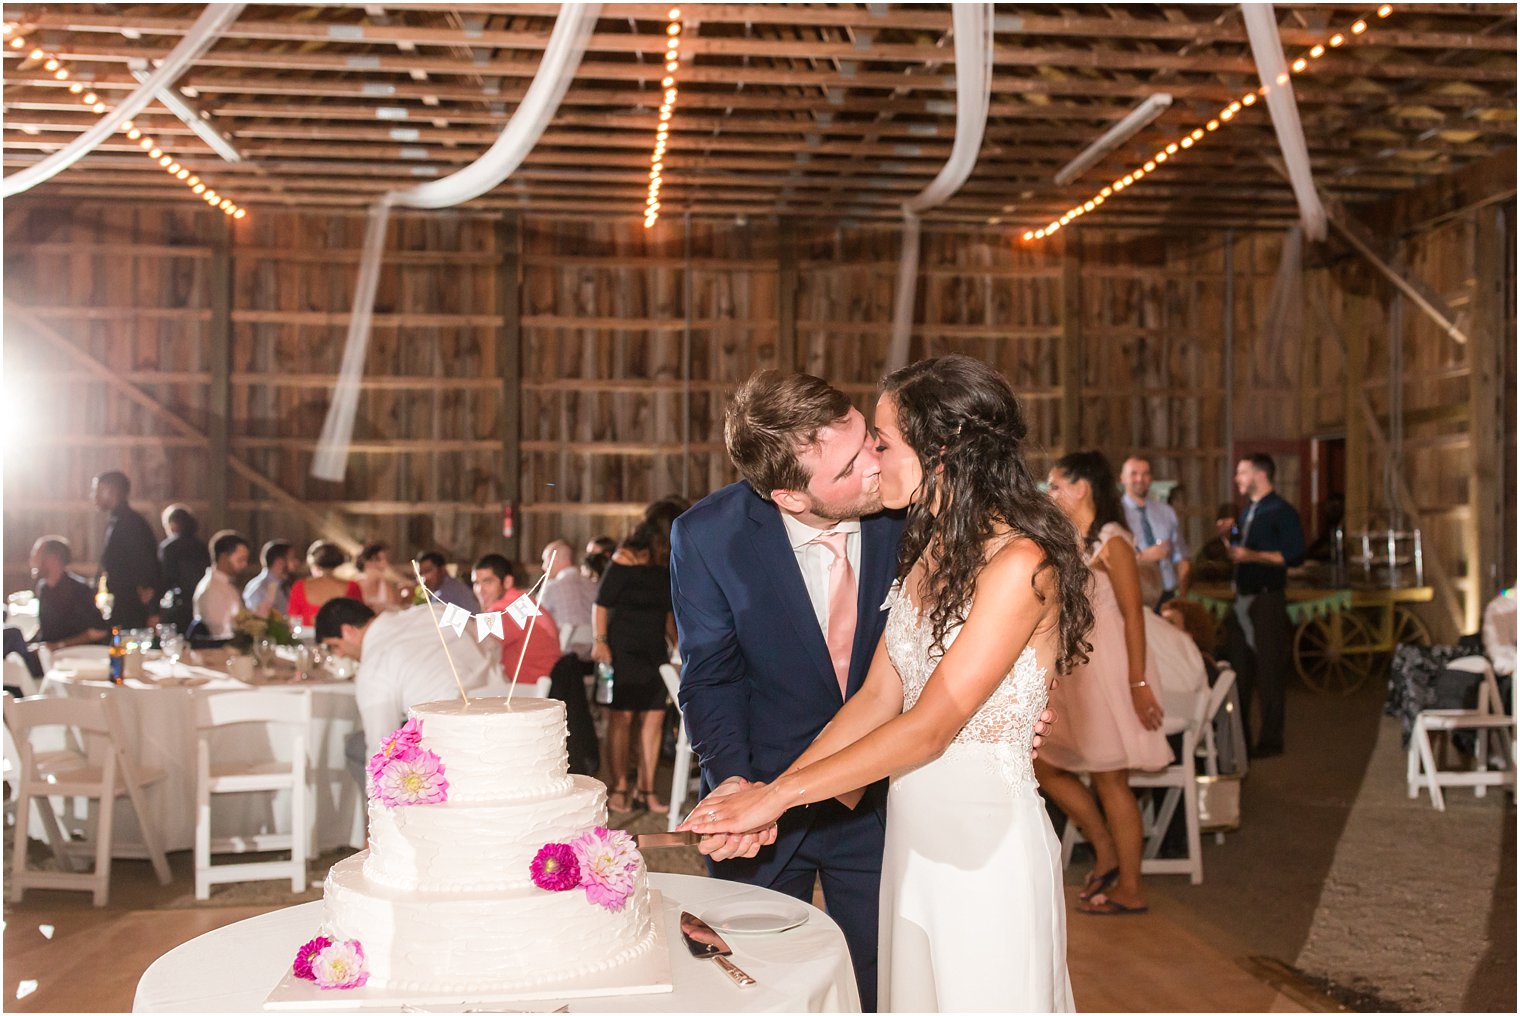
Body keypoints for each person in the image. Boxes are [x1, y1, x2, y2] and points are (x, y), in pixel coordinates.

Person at [681, 356, 1087, 1012]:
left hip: (981, 851)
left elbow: (930, 725)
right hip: (914, 839)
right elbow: (878, 697)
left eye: (880, 438)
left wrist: (779, 795)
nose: (872, 457)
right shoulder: (933, 548)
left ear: (941, 454)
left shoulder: (1018, 561)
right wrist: (765, 797)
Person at [1036, 450, 1171, 917]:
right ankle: (1105, 849)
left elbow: (1135, 614)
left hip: (1113, 668)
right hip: (1078, 669)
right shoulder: (1069, 539)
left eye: (1056, 485)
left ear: (1082, 487)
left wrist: (1138, 681)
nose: (1050, 494)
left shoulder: (1114, 541)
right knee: (1045, 764)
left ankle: (1130, 887)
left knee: (1112, 778)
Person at [315, 597, 492, 790]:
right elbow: (492, 646)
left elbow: (381, 745)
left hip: (448, 739)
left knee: (355, 747)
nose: (339, 654)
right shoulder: (435, 611)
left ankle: (387, 817)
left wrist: (377, 808)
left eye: (335, 646)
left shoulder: (374, 665)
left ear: (347, 631)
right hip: (500, 709)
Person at [1224, 453, 1306, 758]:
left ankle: (1271, 741)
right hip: (1242, 599)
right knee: (1240, 672)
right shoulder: (1249, 512)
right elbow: (1240, 549)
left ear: (1259, 475)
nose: (1237, 479)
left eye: (1241, 472)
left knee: (1269, 671)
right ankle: (1240, 741)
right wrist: (1229, 532)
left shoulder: (1281, 511)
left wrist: (1254, 557)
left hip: (1267, 599)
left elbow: (1294, 555)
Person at [593, 523, 678, 814]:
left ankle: (646, 789)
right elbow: (601, 604)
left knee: (653, 719)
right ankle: (618, 787)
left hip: (654, 650)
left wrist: (678, 645)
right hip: (623, 649)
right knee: (622, 719)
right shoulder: (624, 559)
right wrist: (600, 642)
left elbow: (668, 613)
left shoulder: (667, 565)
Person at [471, 554, 561, 686]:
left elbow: (475, 648)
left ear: (507, 582)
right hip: (546, 685)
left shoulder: (505, 612)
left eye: (488, 582)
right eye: (476, 583)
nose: (480, 590)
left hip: (528, 691)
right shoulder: (523, 601)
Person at [92, 470, 161, 629]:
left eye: (97, 490)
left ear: (111, 490)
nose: (94, 496)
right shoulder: (117, 521)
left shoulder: (130, 523)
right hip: (121, 603)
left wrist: (152, 610)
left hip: (133, 608)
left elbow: (146, 566)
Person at [1119, 456, 1191, 608]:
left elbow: (1181, 556)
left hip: (1167, 593)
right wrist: (1143, 557)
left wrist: (1182, 597)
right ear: (1123, 478)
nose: (1140, 478)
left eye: (1145, 474)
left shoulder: (1166, 511)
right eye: (1134, 474)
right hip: (1134, 592)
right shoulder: (1115, 513)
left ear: (1150, 478)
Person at [29, 536, 108, 650]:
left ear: (52, 559)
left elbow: (98, 631)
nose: (32, 561)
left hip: (75, 656)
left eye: (36, 555)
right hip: (50, 655)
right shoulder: (43, 588)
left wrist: (59, 646)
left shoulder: (79, 590)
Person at [539, 538, 597, 658]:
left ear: (553, 559)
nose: (543, 567)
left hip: (563, 655)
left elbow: (537, 622)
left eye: (545, 561)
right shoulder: (593, 585)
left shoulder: (551, 587)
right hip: (593, 654)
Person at [158, 504, 211, 632]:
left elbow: (164, 578)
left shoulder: (169, 547)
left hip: (178, 605)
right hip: (201, 601)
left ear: (173, 524)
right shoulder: (201, 546)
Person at [288, 541, 363, 628]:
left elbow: (293, 620)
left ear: (312, 562)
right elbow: (359, 619)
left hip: (307, 639)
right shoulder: (352, 586)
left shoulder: (299, 586)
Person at [192, 530, 250, 640]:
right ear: (223, 558)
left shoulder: (226, 584)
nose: (245, 564)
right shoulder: (211, 588)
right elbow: (219, 632)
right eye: (240, 559)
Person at [244, 540, 298, 618]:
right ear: (279, 562)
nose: (296, 562)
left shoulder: (287, 584)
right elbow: (259, 619)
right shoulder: (259, 588)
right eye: (292, 558)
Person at [416, 551, 480, 613]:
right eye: (420, 573)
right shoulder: (442, 590)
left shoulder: (448, 593)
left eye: (428, 571)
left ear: (442, 569)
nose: (424, 578)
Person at [355, 543, 403, 611]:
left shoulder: (385, 583)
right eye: (380, 559)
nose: (384, 563)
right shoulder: (359, 582)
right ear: (367, 562)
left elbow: (394, 606)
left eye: (385, 559)